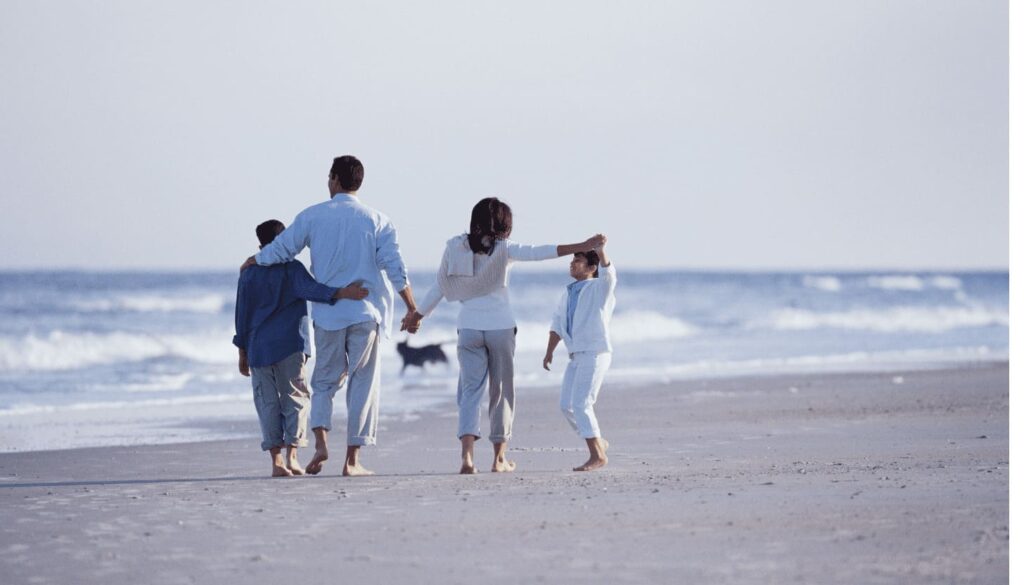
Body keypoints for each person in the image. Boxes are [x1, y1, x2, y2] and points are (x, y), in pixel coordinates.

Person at [241, 155, 419, 477]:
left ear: (335, 179)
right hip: (366, 313)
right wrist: (411, 306)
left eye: (329, 177)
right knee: (363, 384)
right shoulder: (377, 219)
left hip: (328, 316)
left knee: (323, 383)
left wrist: (255, 259)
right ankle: (352, 461)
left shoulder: (312, 216)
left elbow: (282, 249)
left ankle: (321, 441)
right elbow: (395, 267)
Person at [407, 197, 604, 474]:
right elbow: (541, 252)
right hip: (500, 329)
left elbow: (439, 286)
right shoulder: (504, 250)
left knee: (469, 392)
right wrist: (581, 246)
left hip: (469, 329)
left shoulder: (455, 247)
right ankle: (499, 459)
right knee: (501, 393)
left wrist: (417, 315)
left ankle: (467, 458)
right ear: (504, 225)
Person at [234, 219, 369, 477]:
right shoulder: (291, 268)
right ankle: (292, 458)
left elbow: (242, 314)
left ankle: (276, 461)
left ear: (260, 244)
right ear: (284, 240)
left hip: (258, 349)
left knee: (267, 403)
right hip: (290, 345)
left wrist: (241, 350)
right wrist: (344, 292)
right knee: (295, 399)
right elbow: (313, 290)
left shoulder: (249, 272)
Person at [543, 239, 616, 471]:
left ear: (592, 268)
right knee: (567, 405)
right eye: (572, 260)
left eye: (578, 260)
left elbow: (609, 276)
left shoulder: (599, 288)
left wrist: (601, 251)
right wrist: (549, 352)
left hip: (595, 353)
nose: (573, 263)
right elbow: (557, 324)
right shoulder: (567, 293)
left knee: (583, 403)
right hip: (576, 355)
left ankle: (597, 455)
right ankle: (599, 442)